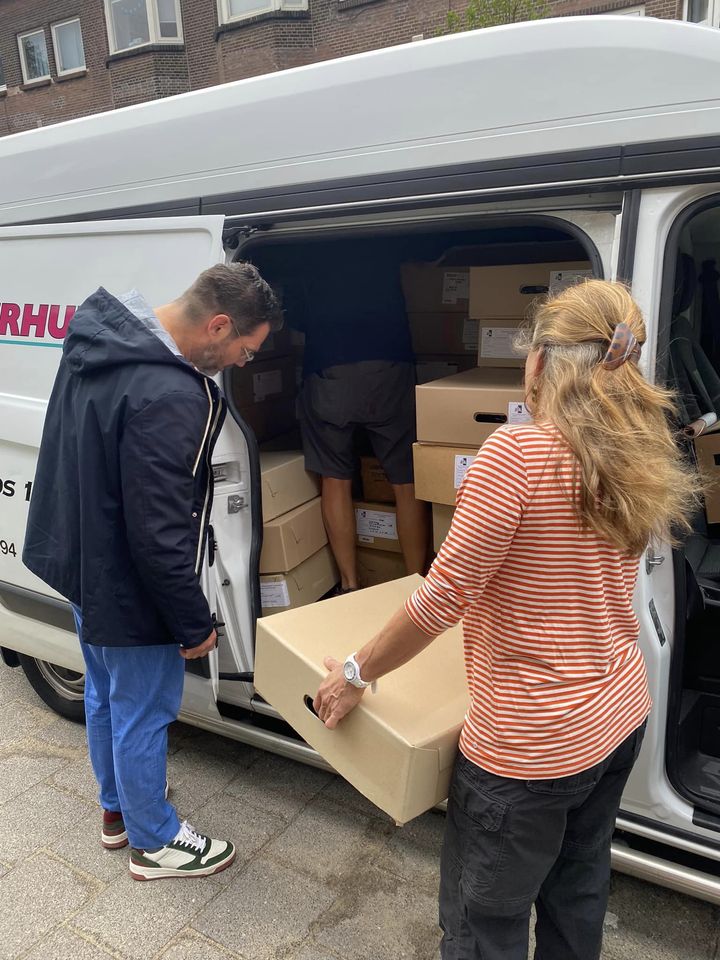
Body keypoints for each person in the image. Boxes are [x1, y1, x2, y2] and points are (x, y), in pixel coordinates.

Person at [314, 280, 701, 959]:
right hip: (617, 717)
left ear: (542, 361)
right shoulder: (638, 449)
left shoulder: (515, 457)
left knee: (482, 925)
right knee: (576, 895)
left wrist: (353, 673)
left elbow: (443, 597)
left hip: (529, 752)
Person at [23, 263, 281, 882]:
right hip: (130, 587)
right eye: (245, 350)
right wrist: (194, 624)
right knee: (144, 710)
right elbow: (159, 533)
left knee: (105, 694)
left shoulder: (100, 339)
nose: (242, 363)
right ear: (218, 325)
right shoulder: (169, 394)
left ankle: (118, 810)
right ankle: (155, 841)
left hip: (86, 566)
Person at [291, 239, 430, 590]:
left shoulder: (306, 247)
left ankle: (349, 583)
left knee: (334, 478)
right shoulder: (386, 238)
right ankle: (414, 584)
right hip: (389, 367)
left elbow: (294, 317)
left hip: (329, 370)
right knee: (406, 481)